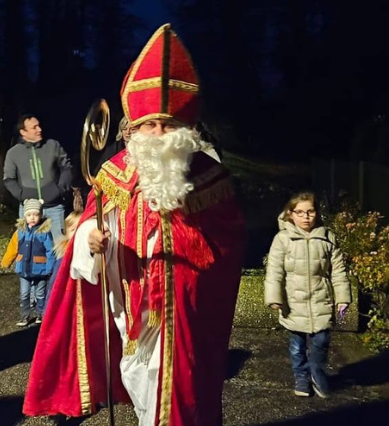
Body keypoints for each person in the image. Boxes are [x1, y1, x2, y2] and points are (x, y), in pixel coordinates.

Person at [23, 24, 246, 426]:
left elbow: (228, 249)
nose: (158, 134)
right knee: (140, 382)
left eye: (168, 125)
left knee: (182, 393)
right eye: (149, 125)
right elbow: (91, 226)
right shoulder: (114, 173)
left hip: (186, 317)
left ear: (185, 129)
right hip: (130, 310)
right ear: (134, 129)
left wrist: (182, 249)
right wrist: (88, 240)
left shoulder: (211, 179)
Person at [264, 191, 351, 398]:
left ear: (316, 213)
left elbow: (338, 270)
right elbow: (275, 270)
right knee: (297, 345)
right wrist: (274, 297)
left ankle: (317, 373)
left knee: (321, 341)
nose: (306, 216)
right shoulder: (283, 239)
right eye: (300, 212)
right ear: (290, 214)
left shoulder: (327, 237)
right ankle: (301, 377)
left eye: (310, 211)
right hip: (293, 302)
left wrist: (343, 298)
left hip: (321, 299)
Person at [3, 114, 73, 242]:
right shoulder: (13, 153)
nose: (39, 129)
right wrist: (23, 196)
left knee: (59, 249)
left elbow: (66, 168)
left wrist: (59, 190)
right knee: (29, 249)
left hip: (54, 208)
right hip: (28, 210)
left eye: (39, 125)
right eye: (34, 127)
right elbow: (9, 179)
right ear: (23, 132)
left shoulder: (53, 145)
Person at [1, 199, 56, 327]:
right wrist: (6, 262)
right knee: (24, 294)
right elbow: (13, 247)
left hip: (41, 269)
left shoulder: (44, 232)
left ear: (40, 215)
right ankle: (24, 316)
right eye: (29, 215)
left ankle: (40, 314)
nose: (32, 218)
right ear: (24, 216)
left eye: (36, 214)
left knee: (40, 293)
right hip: (24, 269)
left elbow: (50, 251)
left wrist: (50, 268)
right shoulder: (20, 232)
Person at [46, 211, 82, 304]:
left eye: (81, 228)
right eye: (73, 229)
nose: (77, 233)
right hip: (66, 301)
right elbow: (54, 286)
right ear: (66, 233)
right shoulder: (63, 259)